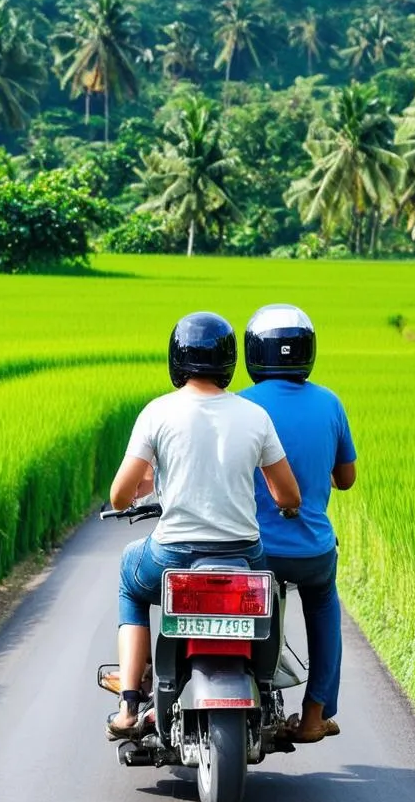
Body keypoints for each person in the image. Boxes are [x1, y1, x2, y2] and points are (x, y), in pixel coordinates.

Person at [107, 311, 301, 740]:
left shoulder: (157, 412)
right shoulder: (255, 417)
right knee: (271, 585)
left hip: (172, 555)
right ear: (229, 362)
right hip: (242, 553)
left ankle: (128, 704)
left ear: (176, 360)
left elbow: (120, 496)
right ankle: (266, 681)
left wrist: (142, 489)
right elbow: (288, 496)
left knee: (129, 577)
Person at [240, 304, 357, 744]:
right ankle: (314, 715)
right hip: (312, 552)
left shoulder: (241, 405)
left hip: (252, 551)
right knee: (324, 604)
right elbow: (345, 480)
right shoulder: (330, 403)